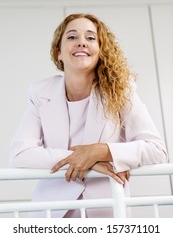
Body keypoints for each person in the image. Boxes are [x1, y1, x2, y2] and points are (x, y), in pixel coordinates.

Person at [9, 13, 167, 218]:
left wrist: (101, 151)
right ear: (58, 52)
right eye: (72, 37)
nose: (81, 43)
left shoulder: (122, 90)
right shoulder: (40, 93)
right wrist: (86, 159)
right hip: (50, 215)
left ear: (100, 51)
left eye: (91, 38)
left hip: (105, 212)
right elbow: (20, 154)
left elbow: (156, 149)